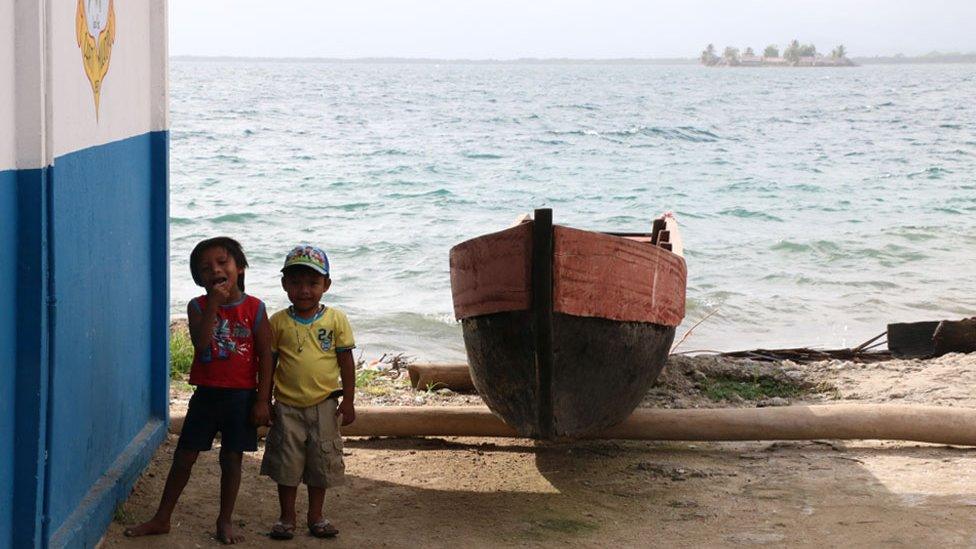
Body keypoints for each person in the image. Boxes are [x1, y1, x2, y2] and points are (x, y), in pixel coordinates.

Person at [125, 237, 273, 545]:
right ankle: (162, 518)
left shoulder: (255, 309)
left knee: (232, 460)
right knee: (184, 456)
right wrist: (215, 305)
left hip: (241, 397)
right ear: (198, 278)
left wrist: (262, 399)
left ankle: (225, 521)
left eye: (222, 263)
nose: (215, 270)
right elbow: (202, 344)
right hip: (206, 395)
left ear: (240, 268)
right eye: (205, 268)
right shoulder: (198, 306)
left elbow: (266, 356)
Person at [261, 244, 357, 540]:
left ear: (326, 285)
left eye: (313, 283)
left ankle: (316, 517)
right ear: (284, 285)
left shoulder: (335, 319)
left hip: (325, 406)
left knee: (322, 463)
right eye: (296, 283)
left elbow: (345, 361)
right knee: (286, 463)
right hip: (287, 407)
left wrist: (350, 400)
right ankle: (286, 517)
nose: (304, 290)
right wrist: (262, 400)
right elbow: (268, 364)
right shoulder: (277, 322)